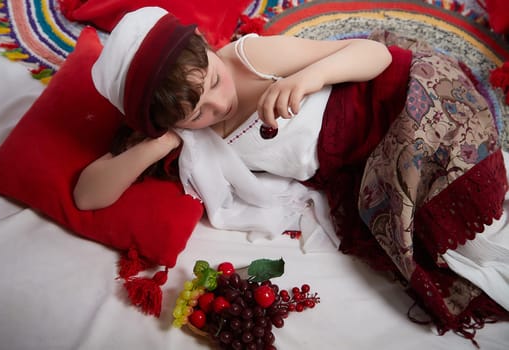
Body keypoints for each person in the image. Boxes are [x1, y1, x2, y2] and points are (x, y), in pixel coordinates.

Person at [73, 7, 509, 338]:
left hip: (391, 105)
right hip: (363, 167)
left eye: (212, 83)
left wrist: (310, 78)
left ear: (207, 47)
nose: (218, 106)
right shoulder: (188, 140)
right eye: (196, 114)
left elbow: (374, 54)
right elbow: (88, 195)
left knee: (475, 208)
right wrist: (163, 140)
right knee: (448, 251)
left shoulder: (250, 58)